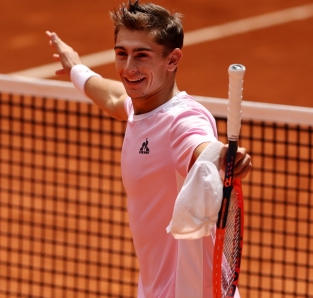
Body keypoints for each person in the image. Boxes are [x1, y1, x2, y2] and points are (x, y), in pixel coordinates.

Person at [46, 1, 251, 297]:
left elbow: (201, 149)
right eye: (121, 54)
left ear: (172, 59)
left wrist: (222, 158)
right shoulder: (141, 106)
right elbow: (116, 99)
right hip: (155, 287)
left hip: (191, 291)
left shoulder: (182, 120)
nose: (129, 68)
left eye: (142, 55)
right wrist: (77, 69)